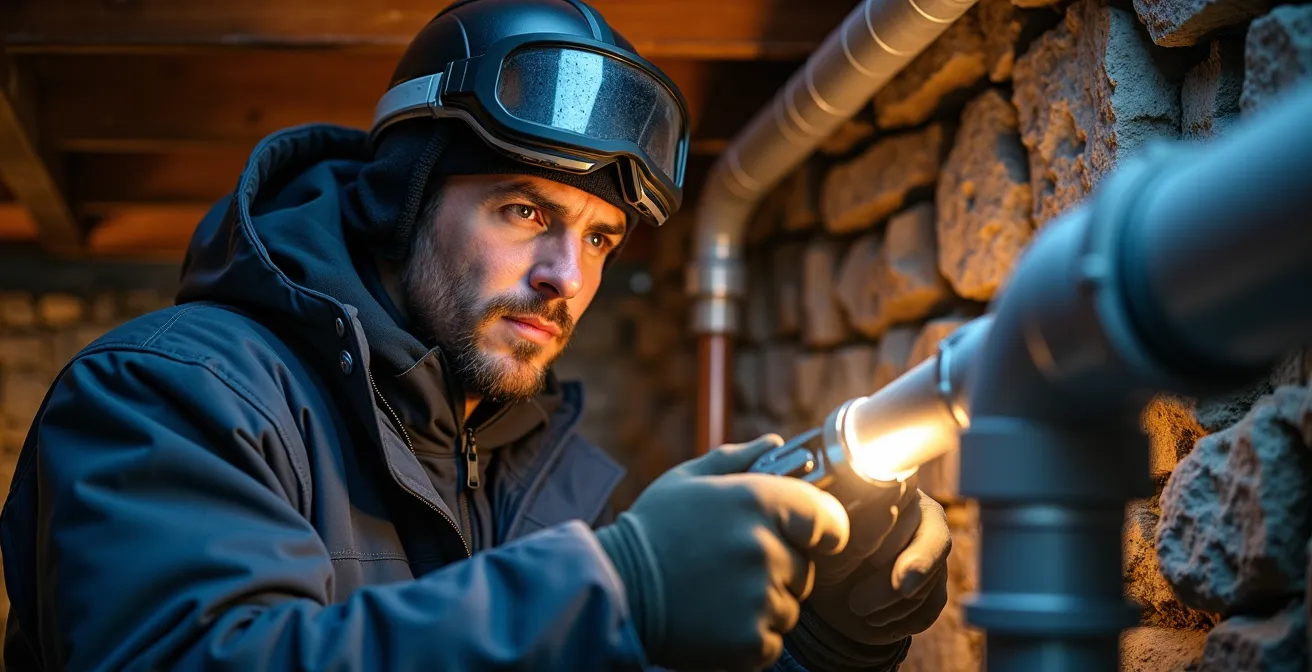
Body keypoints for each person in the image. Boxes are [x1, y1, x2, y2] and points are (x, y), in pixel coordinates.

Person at [0, 0, 951, 669]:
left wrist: (826, 636)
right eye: (525, 213)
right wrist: (619, 593)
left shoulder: (525, 469)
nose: (567, 279)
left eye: (600, 237)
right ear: (398, 198)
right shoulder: (165, 397)